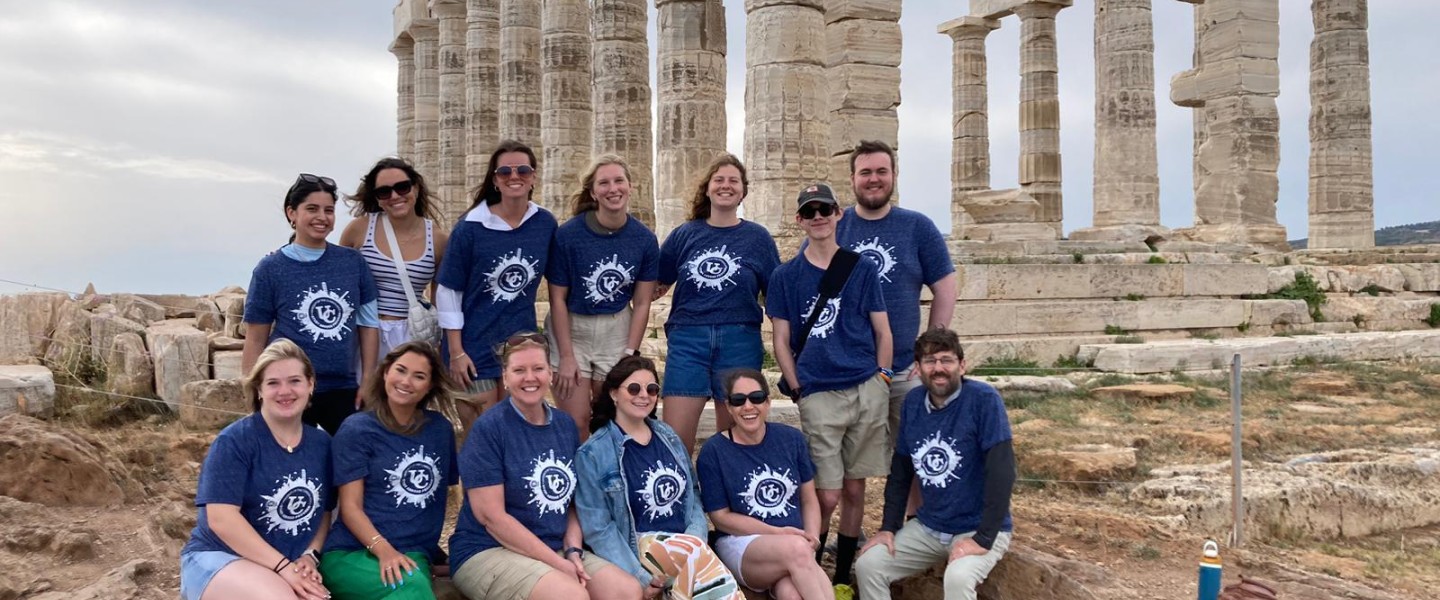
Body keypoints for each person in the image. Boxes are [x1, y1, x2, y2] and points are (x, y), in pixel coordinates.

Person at [448, 333, 641, 600]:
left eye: (538, 368)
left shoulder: (564, 426)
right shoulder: (490, 429)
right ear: (505, 377)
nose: (530, 377)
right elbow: (491, 518)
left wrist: (573, 550)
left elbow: (574, 502)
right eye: (519, 370)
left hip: (555, 546)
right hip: (488, 549)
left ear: (550, 374)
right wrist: (557, 563)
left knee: (626, 591)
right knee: (570, 596)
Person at [766, 183, 892, 588]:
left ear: (839, 214)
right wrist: (799, 387)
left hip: (864, 386)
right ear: (800, 220)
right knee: (828, 495)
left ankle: (840, 580)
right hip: (819, 391)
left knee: (856, 490)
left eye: (826, 209)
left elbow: (881, 329)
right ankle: (811, 571)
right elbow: (781, 339)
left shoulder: (861, 267)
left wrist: (883, 378)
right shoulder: (786, 276)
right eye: (810, 211)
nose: (818, 216)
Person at [855, 329, 1015, 600]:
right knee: (869, 565)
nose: (938, 368)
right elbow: (902, 470)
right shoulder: (913, 403)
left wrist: (983, 539)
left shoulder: (983, 400)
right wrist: (888, 527)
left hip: (976, 526)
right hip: (930, 526)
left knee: (958, 577)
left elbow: (1002, 471)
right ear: (917, 368)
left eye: (946, 360)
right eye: (930, 361)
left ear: (962, 365)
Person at [575, 356, 743, 600]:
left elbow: (692, 494)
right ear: (613, 393)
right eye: (634, 388)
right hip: (638, 546)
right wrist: (640, 576)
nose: (644, 395)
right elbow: (598, 529)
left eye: (652, 389)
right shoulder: (593, 453)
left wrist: (694, 539)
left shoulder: (667, 436)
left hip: (686, 546)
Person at [179, 339, 335, 600]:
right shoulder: (235, 441)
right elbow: (221, 519)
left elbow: (325, 511)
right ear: (259, 390)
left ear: (311, 385)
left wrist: (311, 556)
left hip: (284, 564)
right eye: (273, 382)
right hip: (221, 557)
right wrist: (284, 568)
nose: (284, 391)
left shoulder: (323, 444)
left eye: (294, 381)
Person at [834, 140, 957, 453]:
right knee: (852, 470)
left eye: (881, 171)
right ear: (852, 179)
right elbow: (809, 289)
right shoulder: (836, 228)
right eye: (865, 172)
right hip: (849, 370)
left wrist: (931, 349)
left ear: (894, 175)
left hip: (904, 369)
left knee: (917, 457)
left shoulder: (917, 227)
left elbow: (945, 287)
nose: (874, 179)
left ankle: (915, 507)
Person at [655, 153, 781, 452]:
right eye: (719, 180)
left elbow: (776, 295)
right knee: (675, 441)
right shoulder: (685, 234)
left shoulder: (758, 238)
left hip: (739, 340)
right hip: (689, 340)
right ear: (708, 188)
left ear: (743, 190)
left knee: (737, 441)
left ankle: (727, 499)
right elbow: (655, 284)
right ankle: (683, 498)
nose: (726, 186)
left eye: (733, 181)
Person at [319, 342, 459, 599]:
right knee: (413, 587)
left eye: (419, 376)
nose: (406, 381)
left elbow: (448, 494)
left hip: (414, 553)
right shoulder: (357, 429)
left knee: (411, 585)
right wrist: (384, 551)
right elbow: (350, 508)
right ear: (385, 372)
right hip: (352, 552)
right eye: (401, 370)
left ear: (430, 385)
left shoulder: (440, 430)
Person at [243, 173, 380, 435]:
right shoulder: (270, 269)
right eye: (312, 209)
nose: (322, 217)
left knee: (350, 464)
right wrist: (254, 392)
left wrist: (368, 381)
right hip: (289, 388)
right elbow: (255, 337)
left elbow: (368, 324)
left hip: (343, 388)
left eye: (329, 210)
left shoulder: (353, 263)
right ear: (291, 213)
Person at [436, 141, 558, 429]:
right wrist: (456, 352)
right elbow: (449, 291)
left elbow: (559, 281)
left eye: (522, 170)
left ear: (534, 177)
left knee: (517, 429)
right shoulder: (471, 227)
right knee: (481, 431)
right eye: (504, 171)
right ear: (494, 179)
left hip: (520, 343)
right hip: (472, 346)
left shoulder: (544, 223)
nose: (514, 176)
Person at [546, 155, 660, 441]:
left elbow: (643, 301)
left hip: (617, 327)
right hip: (572, 326)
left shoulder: (644, 239)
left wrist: (629, 353)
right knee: (576, 422)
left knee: (610, 417)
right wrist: (568, 355)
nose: (613, 189)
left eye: (619, 180)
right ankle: (581, 484)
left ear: (630, 186)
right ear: (593, 191)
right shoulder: (568, 235)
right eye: (604, 183)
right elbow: (557, 299)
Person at [696, 369, 832, 600]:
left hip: (795, 546)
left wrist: (812, 539)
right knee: (797, 551)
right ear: (728, 407)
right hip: (742, 543)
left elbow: (808, 498)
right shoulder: (714, 452)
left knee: (791, 593)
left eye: (756, 398)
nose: (748, 406)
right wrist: (779, 533)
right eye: (739, 400)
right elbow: (721, 518)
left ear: (768, 402)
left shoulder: (791, 439)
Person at [339, 157, 449, 358]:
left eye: (402, 187)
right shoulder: (358, 230)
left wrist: (442, 349)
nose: (394, 196)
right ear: (377, 198)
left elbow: (440, 300)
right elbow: (338, 283)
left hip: (411, 338)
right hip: (363, 333)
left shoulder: (439, 240)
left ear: (415, 188)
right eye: (384, 191)